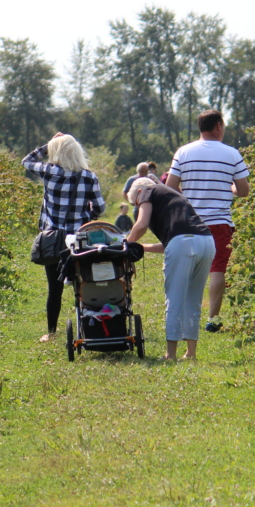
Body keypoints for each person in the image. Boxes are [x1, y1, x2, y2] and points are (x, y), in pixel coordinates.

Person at [166, 109, 250, 333]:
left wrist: (189, 195)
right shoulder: (232, 154)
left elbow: (170, 187)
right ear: (219, 126)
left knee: (187, 270)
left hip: (189, 221)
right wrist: (229, 188)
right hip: (219, 221)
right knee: (217, 269)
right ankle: (213, 318)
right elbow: (243, 191)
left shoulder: (183, 152)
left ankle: (183, 315)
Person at [23, 132, 106, 343]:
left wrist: (47, 144)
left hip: (54, 240)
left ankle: (51, 332)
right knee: (85, 284)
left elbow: (27, 161)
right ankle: (90, 328)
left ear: (55, 151)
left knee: (54, 288)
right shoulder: (89, 176)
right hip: (81, 240)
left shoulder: (49, 172)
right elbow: (99, 207)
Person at [126, 179, 215, 361]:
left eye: (136, 203)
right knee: (193, 299)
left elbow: (141, 225)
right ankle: (191, 353)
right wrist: (141, 246)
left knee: (174, 299)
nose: (139, 206)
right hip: (206, 241)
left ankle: (170, 354)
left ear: (139, 192)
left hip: (183, 243)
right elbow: (171, 244)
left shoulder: (146, 191)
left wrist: (126, 244)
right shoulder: (172, 196)